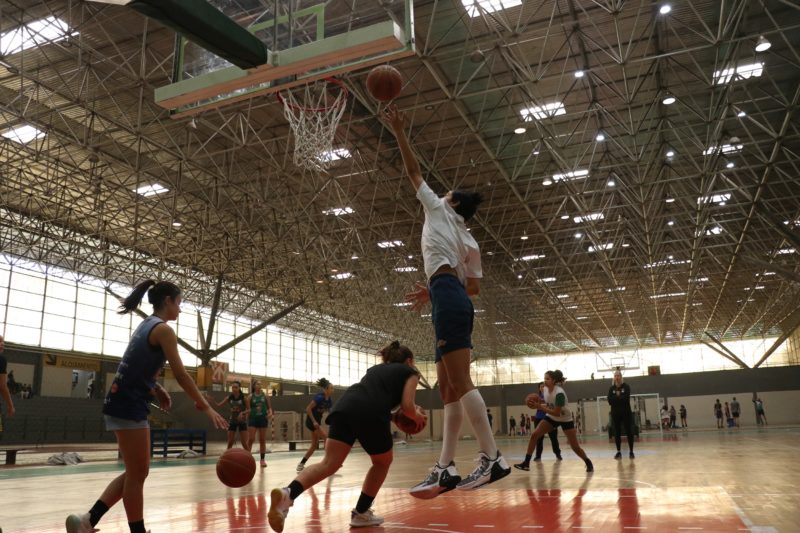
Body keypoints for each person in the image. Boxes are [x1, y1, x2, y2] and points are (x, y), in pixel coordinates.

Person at [386, 105, 510, 496]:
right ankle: (445, 466)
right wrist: (437, 283)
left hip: (448, 296)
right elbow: (474, 288)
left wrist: (398, 130)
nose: (441, 194)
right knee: (446, 388)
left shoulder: (438, 208)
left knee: (459, 379)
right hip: (451, 296)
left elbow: (412, 173)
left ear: (452, 202)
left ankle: (492, 458)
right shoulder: (468, 239)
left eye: (447, 193)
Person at [66, 280, 228, 533]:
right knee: (138, 474)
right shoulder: (164, 330)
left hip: (123, 400)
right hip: (128, 404)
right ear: (168, 301)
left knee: (135, 472)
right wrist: (205, 406)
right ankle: (135, 531)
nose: (180, 309)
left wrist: (156, 387)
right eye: (179, 303)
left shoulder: (147, 324)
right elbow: (182, 375)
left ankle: (88, 520)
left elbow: (135, 365)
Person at [267, 341, 427, 532]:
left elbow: (370, 399)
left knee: (329, 463)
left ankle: (288, 494)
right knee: (382, 462)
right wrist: (417, 417)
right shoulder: (411, 373)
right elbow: (408, 407)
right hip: (369, 410)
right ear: (409, 361)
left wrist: (392, 416)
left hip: (346, 406)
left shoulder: (376, 370)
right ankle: (361, 513)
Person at [513, 370, 593, 472]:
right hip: (552, 417)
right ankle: (526, 463)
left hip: (565, 418)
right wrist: (534, 403)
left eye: (547, 379)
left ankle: (587, 461)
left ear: (554, 380)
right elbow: (549, 404)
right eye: (544, 378)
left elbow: (557, 412)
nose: (545, 381)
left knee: (575, 447)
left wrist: (540, 407)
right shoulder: (545, 390)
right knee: (534, 435)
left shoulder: (559, 393)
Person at [296, 378, 334, 473]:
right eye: (331, 388)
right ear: (326, 389)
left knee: (314, 445)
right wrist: (314, 422)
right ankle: (328, 463)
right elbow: (308, 409)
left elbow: (330, 411)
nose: (333, 390)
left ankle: (301, 464)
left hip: (317, 422)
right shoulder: (319, 397)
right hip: (311, 421)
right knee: (326, 438)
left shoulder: (329, 400)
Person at [206, 381, 249, 449]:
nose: (234, 389)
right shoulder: (229, 398)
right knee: (230, 442)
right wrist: (213, 401)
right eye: (233, 387)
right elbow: (218, 405)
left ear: (239, 388)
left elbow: (250, 410)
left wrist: (242, 413)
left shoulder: (244, 398)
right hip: (233, 421)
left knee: (244, 443)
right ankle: (227, 458)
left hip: (242, 421)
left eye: (236, 387)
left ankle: (249, 458)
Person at [607, 370, 634, 459]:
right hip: (615, 414)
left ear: (621, 377)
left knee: (629, 431)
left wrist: (616, 398)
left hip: (626, 413)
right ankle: (618, 452)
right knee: (617, 432)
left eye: (618, 375)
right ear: (614, 378)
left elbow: (626, 399)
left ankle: (631, 451)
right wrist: (618, 398)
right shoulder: (611, 389)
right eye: (615, 376)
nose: (617, 377)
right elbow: (609, 401)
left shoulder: (626, 387)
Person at [245, 380, 272, 467]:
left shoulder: (265, 396)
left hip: (263, 419)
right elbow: (248, 410)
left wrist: (270, 413)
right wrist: (245, 417)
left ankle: (262, 460)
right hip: (253, 419)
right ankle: (247, 457)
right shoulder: (250, 397)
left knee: (262, 440)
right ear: (254, 386)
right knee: (251, 439)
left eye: (260, 384)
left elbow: (270, 408)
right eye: (257, 384)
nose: (259, 386)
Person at [532, 382, 562, 462]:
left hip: (550, 418)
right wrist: (530, 403)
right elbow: (533, 405)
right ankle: (538, 456)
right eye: (541, 386)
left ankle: (558, 454)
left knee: (553, 438)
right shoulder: (536, 397)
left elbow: (553, 405)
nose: (543, 387)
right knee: (539, 439)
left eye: (544, 386)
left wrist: (541, 406)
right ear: (539, 388)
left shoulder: (550, 396)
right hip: (539, 418)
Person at [0, 334, 16, 428]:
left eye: (3, 342)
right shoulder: (1, 360)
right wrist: (10, 405)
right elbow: (2, 386)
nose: (2, 344)